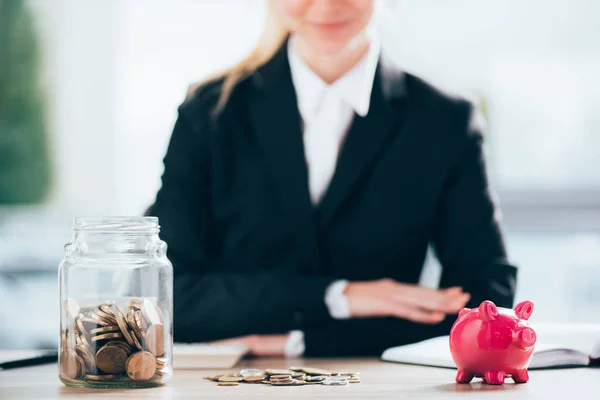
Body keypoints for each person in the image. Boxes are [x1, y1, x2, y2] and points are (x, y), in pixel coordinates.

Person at [150, 0, 517, 357]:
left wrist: (299, 343)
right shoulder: (210, 112)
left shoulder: (446, 122)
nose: (326, 4)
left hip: (382, 385)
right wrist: (340, 296)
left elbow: (485, 307)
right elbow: (166, 297)